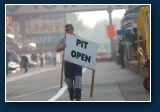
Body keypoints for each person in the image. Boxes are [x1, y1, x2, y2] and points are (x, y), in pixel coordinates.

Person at [55, 24, 82, 101]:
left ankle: (78, 97)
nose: (66, 31)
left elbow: (84, 50)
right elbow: (56, 49)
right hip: (68, 63)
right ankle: (71, 91)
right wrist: (62, 47)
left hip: (77, 63)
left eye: (68, 30)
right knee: (68, 81)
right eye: (65, 30)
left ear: (72, 30)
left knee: (78, 80)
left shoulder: (78, 38)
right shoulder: (63, 39)